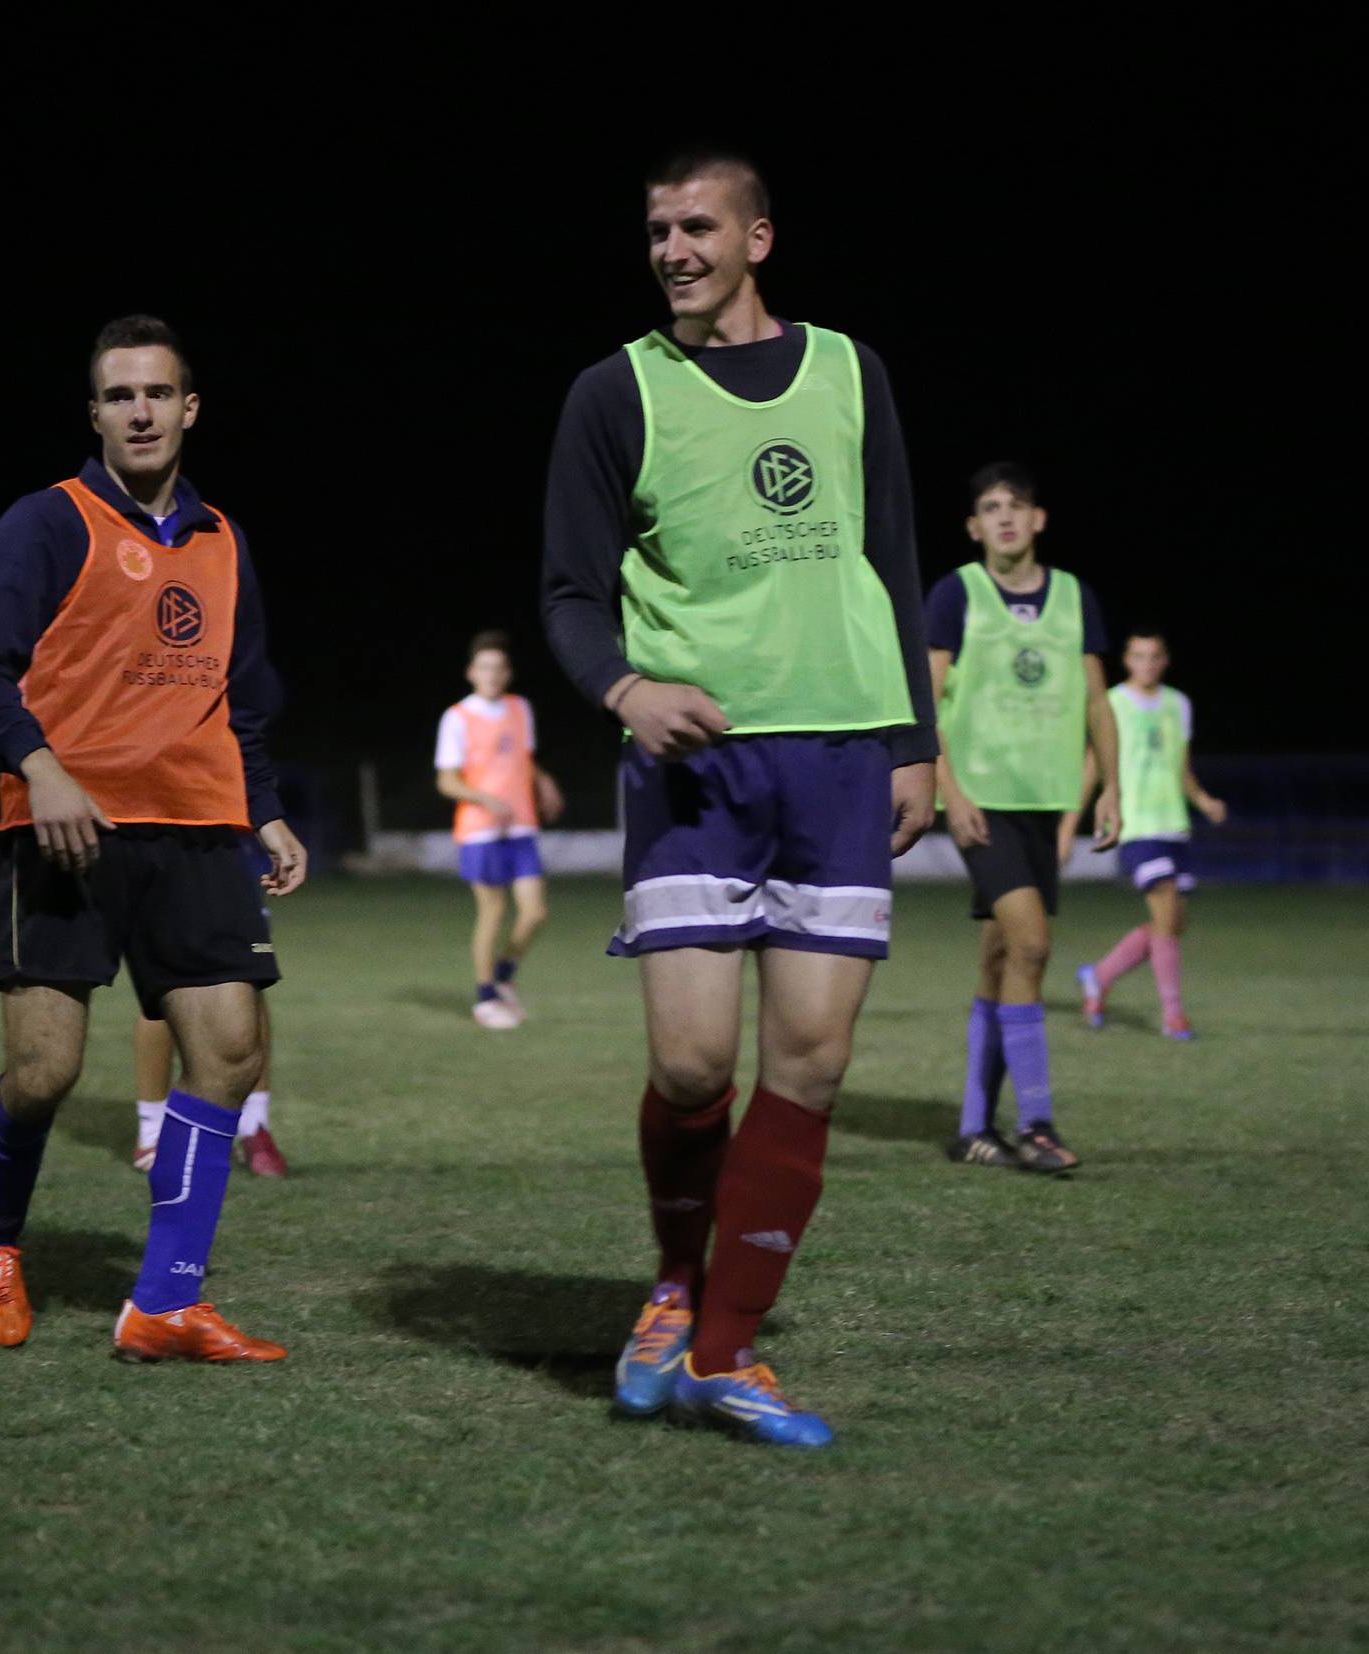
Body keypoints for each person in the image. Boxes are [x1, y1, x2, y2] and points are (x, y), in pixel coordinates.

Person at [543, 148, 937, 1446]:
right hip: (695, 764)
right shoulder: (617, 392)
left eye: (698, 226)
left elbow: (892, 554)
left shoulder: (848, 369)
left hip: (836, 755)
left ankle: (727, 1345)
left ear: (758, 236)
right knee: (693, 1058)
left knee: (812, 1060)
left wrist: (916, 741)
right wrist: (622, 690)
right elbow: (570, 593)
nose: (673, 249)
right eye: (657, 229)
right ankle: (672, 1282)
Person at [0, 314, 306, 1362]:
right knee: (47, 1071)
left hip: (198, 830)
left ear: (189, 408)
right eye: (119, 396)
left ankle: (164, 1301)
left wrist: (267, 805)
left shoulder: (223, 540)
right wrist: (42, 766)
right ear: (95, 413)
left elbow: (243, 702)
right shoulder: (46, 524)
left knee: (229, 1053)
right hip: (65, 831)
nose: (139, 412)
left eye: (157, 393)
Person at [930, 462, 1119, 1174]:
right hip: (984, 805)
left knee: (1003, 956)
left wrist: (1109, 788)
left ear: (1038, 519)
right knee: (1033, 946)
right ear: (975, 528)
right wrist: (953, 790)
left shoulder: (1073, 597)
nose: (1005, 517)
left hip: (1044, 804)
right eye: (990, 507)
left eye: (1017, 505)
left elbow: (1098, 702)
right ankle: (1037, 1123)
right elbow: (929, 700)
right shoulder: (958, 594)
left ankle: (975, 1129)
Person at [1072, 630, 1226, 1039]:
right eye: (1139, 655)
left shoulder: (1179, 704)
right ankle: (1173, 1014)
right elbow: (1092, 766)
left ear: (1164, 660)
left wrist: (1203, 800)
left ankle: (1099, 977)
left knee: (1171, 924)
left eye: (1154, 655)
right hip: (1136, 826)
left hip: (1174, 824)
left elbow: (1181, 767)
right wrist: (1069, 825)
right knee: (1165, 915)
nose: (1147, 663)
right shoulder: (1114, 704)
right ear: (1127, 660)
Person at [433, 630, 563, 1028]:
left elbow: (524, 759)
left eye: (498, 668)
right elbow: (446, 780)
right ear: (472, 672)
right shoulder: (457, 717)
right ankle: (485, 996)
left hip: (521, 824)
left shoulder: (520, 709)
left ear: (507, 674)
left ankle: (504, 974)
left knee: (535, 912)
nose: (491, 674)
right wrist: (485, 799)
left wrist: (543, 780)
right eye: (484, 667)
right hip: (480, 830)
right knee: (493, 910)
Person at [134, 846, 288, 1175]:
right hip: (162, 844)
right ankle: (152, 1130)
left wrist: (272, 825)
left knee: (251, 975)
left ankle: (254, 1126)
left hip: (233, 851)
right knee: (164, 981)